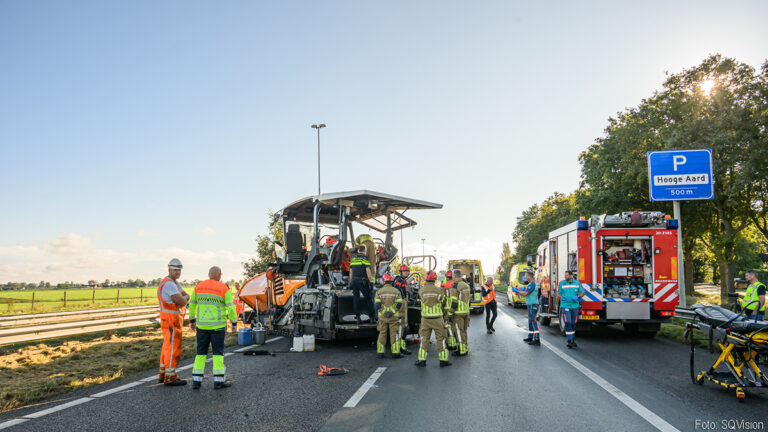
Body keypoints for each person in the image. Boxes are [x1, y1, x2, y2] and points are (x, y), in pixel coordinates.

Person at [189, 266, 238, 389]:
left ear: (209, 274)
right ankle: (218, 381)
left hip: (201, 326)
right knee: (218, 353)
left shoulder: (198, 287)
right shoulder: (223, 288)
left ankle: (196, 381)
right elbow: (231, 307)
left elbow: (192, 305)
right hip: (218, 327)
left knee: (200, 352)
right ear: (220, 275)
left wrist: (192, 320)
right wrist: (234, 323)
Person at [157, 258, 190, 386]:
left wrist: (184, 297)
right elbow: (182, 301)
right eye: (175, 269)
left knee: (167, 346)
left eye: (179, 270)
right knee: (173, 348)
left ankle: (163, 373)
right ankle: (170, 377)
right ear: (169, 269)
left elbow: (186, 295)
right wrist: (184, 298)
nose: (178, 272)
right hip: (171, 321)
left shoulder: (174, 283)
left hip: (170, 320)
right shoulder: (170, 284)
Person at [415, 271, 451, 367]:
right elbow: (443, 303)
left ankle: (421, 360)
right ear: (435, 280)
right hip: (438, 319)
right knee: (441, 339)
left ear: (426, 279)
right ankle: (443, 360)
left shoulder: (421, 291)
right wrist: (446, 316)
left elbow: (420, 302)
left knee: (424, 339)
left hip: (425, 319)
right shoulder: (440, 291)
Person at [375, 273, 403, 359]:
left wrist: (384, 312)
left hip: (383, 318)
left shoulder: (379, 292)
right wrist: (391, 312)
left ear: (384, 281)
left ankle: (380, 353)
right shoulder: (396, 291)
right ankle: (395, 353)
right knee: (394, 334)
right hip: (393, 317)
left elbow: (377, 305)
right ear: (391, 282)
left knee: (382, 334)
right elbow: (399, 304)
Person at [558, 270, 585, 349]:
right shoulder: (562, 283)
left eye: (566, 275)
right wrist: (561, 297)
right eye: (565, 275)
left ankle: (571, 340)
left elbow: (583, 292)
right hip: (565, 305)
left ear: (571, 276)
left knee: (573, 323)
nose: (565, 276)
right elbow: (559, 294)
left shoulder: (577, 283)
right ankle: (569, 339)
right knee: (568, 321)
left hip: (575, 306)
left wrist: (578, 297)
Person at [350, 245, 374, 324]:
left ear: (358, 251)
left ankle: (358, 318)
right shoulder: (365, 258)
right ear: (364, 251)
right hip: (362, 281)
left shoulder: (353, 259)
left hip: (354, 281)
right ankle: (371, 318)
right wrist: (371, 282)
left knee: (355, 299)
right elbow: (368, 271)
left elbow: (351, 271)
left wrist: (350, 281)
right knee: (369, 298)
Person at [450, 270, 471, 356]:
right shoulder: (466, 285)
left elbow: (454, 302)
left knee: (458, 331)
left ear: (455, 276)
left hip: (458, 313)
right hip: (466, 311)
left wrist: (450, 313)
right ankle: (465, 347)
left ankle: (461, 351)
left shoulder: (456, 286)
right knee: (464, 331)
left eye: (452, 275)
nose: (452, 277)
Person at [392, 265, 412, 355]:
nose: (407, 272)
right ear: (401, 272)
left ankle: (402, 347)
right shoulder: (399, 280)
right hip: (401, 304)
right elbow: (396, 291)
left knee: (403, 326)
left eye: (407, 271)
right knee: (402, 326)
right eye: (405, 271)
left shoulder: (402, 280)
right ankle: (401, 347)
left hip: (403, 302)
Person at [517, 270, 540, 346]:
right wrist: (520, 290)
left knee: (533, 320)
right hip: (531, 304)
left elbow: (525, 294)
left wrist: (517, 291)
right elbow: (526, 291)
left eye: (526, 277)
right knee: (530, 321)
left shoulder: (532, 284)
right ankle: (530, 336)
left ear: (530, 277)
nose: (525, 278)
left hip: (532, 304)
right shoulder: (531, 284)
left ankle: (536, 339)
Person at [441, 270, 458, 350]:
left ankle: (451, 344)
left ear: (446, 277)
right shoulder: (456, 285)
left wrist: (441, 310)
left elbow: (443, 300)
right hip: (455, 309)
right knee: (454, 326)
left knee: (448, 326)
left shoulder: (444, 286)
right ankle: (457, 342)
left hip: (447, 309)